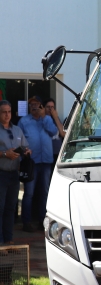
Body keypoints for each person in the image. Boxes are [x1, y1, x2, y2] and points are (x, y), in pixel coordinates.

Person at [18, 96, 58, 232]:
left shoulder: (47, 119)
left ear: (41, 106)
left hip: (46, 161)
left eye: (37, 104)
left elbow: (54, 131)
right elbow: (19, 140)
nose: (34, 107)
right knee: (29, 193)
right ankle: (26, 222)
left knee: (44, 192)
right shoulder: (24, 121)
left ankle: (42, 221)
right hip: (31, 162)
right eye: (31, 105)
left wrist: (45, 117)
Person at [0, 101, 30, 244]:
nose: (7, 115)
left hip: (14, 174)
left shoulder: (18, 130)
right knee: (0, 208)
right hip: (1, 173)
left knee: (11, 208)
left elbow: (25, 146)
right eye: (4, 112)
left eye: (9, 111)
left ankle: (8, 239)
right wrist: (5, 154)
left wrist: (26, 151)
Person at [43, 98, 66, 164]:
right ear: (44, 108)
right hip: (47, 154)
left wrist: (56, 117)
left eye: (52, 107)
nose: (50, 109)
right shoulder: (43, 119)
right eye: (48, 107)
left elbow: (63, 133)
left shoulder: (56, 118)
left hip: (57, 153)